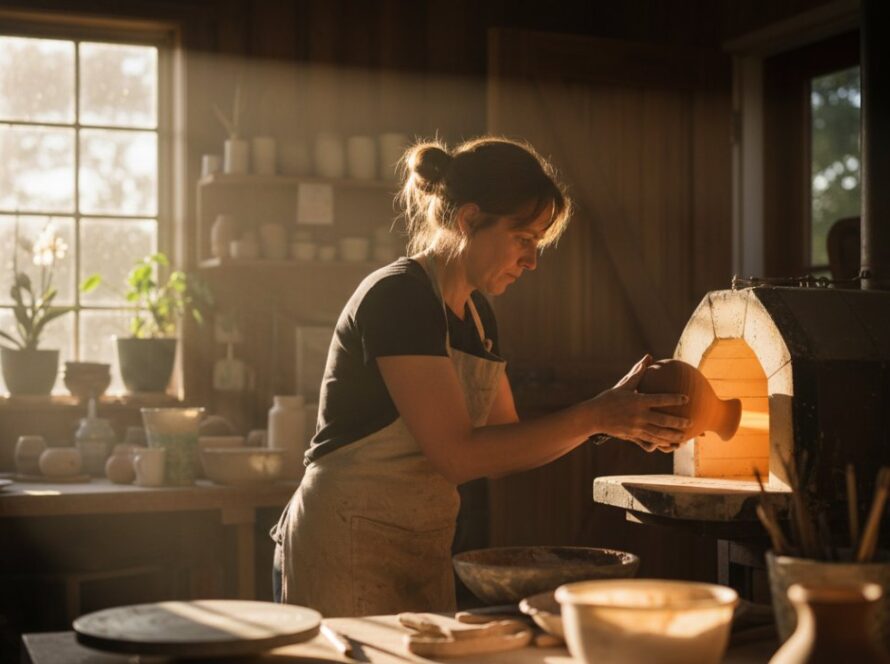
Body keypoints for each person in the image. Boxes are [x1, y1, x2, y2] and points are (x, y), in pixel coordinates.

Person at [271, 136, 689, 616]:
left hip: (419, 544)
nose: (531, 260)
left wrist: (607, 419)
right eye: (523, 239)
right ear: (468, 220)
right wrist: (594, 416)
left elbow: (502, 448)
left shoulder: (478, 317)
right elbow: (458, 455)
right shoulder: (399, 298)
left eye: (537, 244)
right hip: (345, 539)